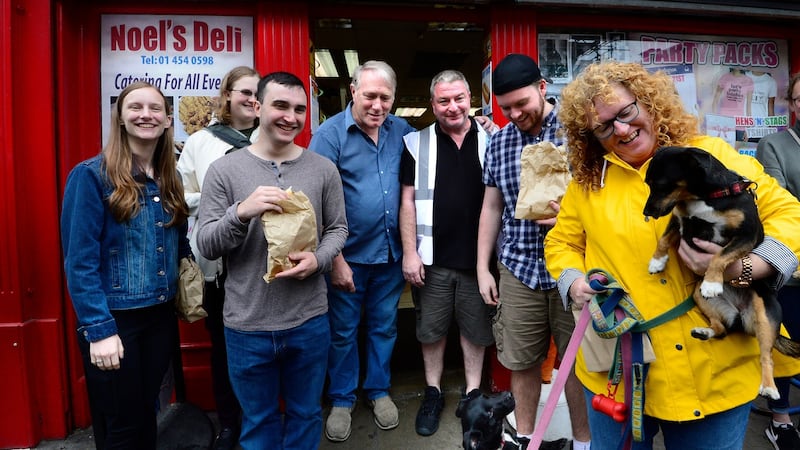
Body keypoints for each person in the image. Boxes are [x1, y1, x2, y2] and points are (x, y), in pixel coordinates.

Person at [546, 60, 800, 449]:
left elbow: (788, 213)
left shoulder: (710, 155)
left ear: (647, 103)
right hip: (617, 373)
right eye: (603, 126)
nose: (622, 129)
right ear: (592, 137)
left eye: (626, 112)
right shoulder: (587, 185)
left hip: (714, 375)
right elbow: (561, 243)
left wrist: (744, 268)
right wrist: (574, 282)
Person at [194, 71, 348, 450]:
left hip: (308, 320)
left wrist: (319, 260)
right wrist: (240, 212)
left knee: (306, 415)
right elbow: (207, 244)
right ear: (258, 106)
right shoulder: (225, 170)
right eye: (280, 105)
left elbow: (339, 229)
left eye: (299, 109)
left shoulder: (322, 169)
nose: (290, 117)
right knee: (258, 423)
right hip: (247, 325)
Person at [61, 81, 191, 449]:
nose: (145, 115)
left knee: (145, 415)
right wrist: (99, 330)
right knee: (121, 425)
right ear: (119, 117)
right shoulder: (91, 176)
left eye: (155, 108)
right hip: (116, 321)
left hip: (160, 317)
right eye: (135, 107)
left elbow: (177, 243)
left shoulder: (171, 177)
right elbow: (79, 262)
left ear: (168, 120)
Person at [476, 53, 591, 450]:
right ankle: (527, 439)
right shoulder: (500, 142)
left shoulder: (582, 133)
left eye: (521, 103)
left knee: (578, 364)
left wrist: (574, 219)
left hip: (575, 268)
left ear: (543, 88)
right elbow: (492, 207)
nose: (513, 114)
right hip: (519, 267)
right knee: (520, 362)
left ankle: (583, 442)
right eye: (505, 107)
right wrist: (483, 268)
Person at [309, 60, 415, 442]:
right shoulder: (329, 135)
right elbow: (314, 203)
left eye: (385, 97)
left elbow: (439, 146)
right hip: (348, 256)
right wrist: (334, 259)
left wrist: (480, 125)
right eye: (370, 95)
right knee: (343, 331)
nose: (377, 104)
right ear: (353, 90)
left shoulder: (402, 131)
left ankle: (378, 390)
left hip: (389, 255)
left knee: (385, 327)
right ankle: (341, 398)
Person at [399, 69, 494, 436]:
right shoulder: (415, 144)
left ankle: (472, 394)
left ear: (470, 99)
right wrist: (410, 253)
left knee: (475, 328)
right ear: (432, 104)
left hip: (479, 261)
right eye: (443, 100)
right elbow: (407, 201)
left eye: (458, 99)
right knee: (430, 330)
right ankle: (434, 392)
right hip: (432, 257)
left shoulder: (494, 138)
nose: (452, 107)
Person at [176, 65, 259, 450]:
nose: (252, 99)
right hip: (217, 269)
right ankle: (229, 424)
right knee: (224, 351)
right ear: (226, 95)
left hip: (263, 266)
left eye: (259, 92)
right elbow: (179, 196)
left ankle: (261, 421)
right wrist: (221, 203)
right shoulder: (201, 142)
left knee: (262, 349)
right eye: (244, 91)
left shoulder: (272, 134)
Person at [756, 71, 800, 450]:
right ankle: (781, 420)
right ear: (793, 105)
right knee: (785, 343)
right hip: (794, 267)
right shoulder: (775, 144)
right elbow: (782, 201)